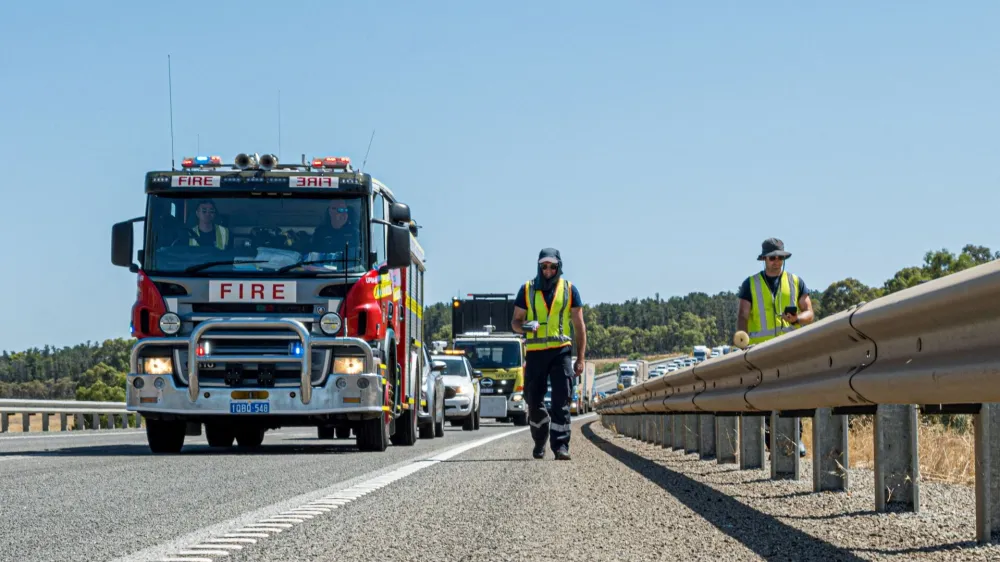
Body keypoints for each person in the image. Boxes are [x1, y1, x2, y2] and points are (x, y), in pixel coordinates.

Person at [737, 237, 815, 457]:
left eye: (780, 258)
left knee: (792, 395)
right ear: (764, 259)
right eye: (772, 258)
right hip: (760, 352)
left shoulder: (796, 282)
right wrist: (742, 341)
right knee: (766, 397)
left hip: (789, 350)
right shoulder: (750, 284)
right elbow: (743, 315)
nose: (776, 262)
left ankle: (795, 439)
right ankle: (772, 443)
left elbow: (809, 313)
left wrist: (797, 318)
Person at [511, 248, 586, 461]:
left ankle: (561, 445)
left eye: (552, 266)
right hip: (535, 353)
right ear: (538, 266)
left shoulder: (570, 290)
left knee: (561, 398)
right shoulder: (526, 290)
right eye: (544, 266)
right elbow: (515, 322)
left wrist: (580, 358)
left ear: (559, 266)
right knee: (533, 401)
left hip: (561, 351)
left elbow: (580, 327)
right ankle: (539, 438)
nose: (548, 270)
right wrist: (525, 327)